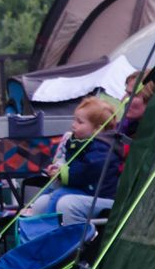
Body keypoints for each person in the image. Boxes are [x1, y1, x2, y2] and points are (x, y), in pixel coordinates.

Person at [22, 96, 119, 226]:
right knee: (44, 200)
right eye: (75, 120)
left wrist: (61, 174)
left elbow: (83, 172)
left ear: (98, 129)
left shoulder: (102, 148)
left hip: (98, 194)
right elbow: (72, 164)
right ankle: (37, 229)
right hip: (84, 189)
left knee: (59, 195)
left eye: (80, 122)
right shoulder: (80, 142)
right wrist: (58, 169)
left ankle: (50, 227)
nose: (73, 124)